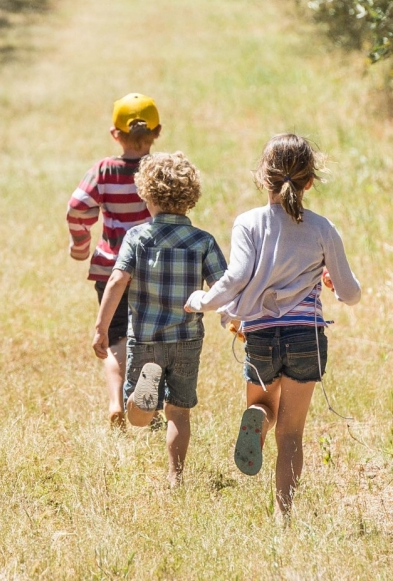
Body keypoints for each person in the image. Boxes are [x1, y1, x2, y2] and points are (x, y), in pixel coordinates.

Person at [185, 133, 361, 516]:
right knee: (292, 433)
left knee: (264, 405)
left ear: (263, 178)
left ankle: (259, 420)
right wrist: (330, 281)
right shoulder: (322, 228)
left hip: (261, 334)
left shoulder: (248, 223)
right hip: (306, 337)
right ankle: (284, 516)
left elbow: (234, 278)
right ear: (310, 180)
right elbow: (350, 293)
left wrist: (202, 300)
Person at [93, 152, 227, 486]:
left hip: (146, 338)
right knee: (179, 411)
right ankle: (175, 477)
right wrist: (234, 320)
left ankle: (142, 398)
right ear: (191, 196)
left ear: (146, 194)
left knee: (139, 416)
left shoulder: (138, 238)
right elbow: (224, 287)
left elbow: (117, 281)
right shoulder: (203, 241)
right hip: (187, 339)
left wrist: (101, 327)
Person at [67, 93, 162, 427]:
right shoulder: (159, 170)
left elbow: (78, 207)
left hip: (110, 269)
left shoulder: (104, 170)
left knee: (115, 339)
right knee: (152, 338)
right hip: (155, 270)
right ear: (157, 131)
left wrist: (81, 245)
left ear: (115, 134)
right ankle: (149, 409)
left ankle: (116, 402)